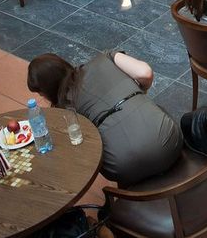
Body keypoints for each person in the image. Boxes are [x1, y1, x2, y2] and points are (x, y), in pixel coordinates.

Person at [27, 52, 182, 187]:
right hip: (171, 142)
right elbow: (145, 73)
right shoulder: (105, 57)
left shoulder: (65, 109)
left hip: (123, 167)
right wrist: (141, 92)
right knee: (155, 109)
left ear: (48, 90)